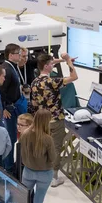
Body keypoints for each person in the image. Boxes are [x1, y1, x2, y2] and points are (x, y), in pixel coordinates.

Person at [29, 52, 78, 187]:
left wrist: (61, 60)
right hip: (55, 120)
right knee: (55, 148)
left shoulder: (34, 83)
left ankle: (42, 170)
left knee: (43, 146)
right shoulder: (53, 82)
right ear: (46, 66)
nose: (53, 66)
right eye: (51, 64)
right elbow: (74, 76)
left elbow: (33, 104)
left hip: (41, 120)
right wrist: (68, 61)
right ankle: (54, 177)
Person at [20, 109, 56, 203]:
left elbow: (21, 151)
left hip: (28, 171)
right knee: (38, 201)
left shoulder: (25, 134)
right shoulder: (48, 139)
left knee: (23, 198)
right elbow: (52, 158)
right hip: (44, 174)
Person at [0, 43, 23, 172]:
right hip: (9, 110)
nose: (19, 56)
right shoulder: (7, 70)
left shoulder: (12, 67)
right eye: (17, 53)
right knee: (10, 138)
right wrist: (4, 108)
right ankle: (8, 167)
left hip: (13, 107)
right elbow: (0, 90)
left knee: (13, 137)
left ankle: (9, 164)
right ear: (10, 55)